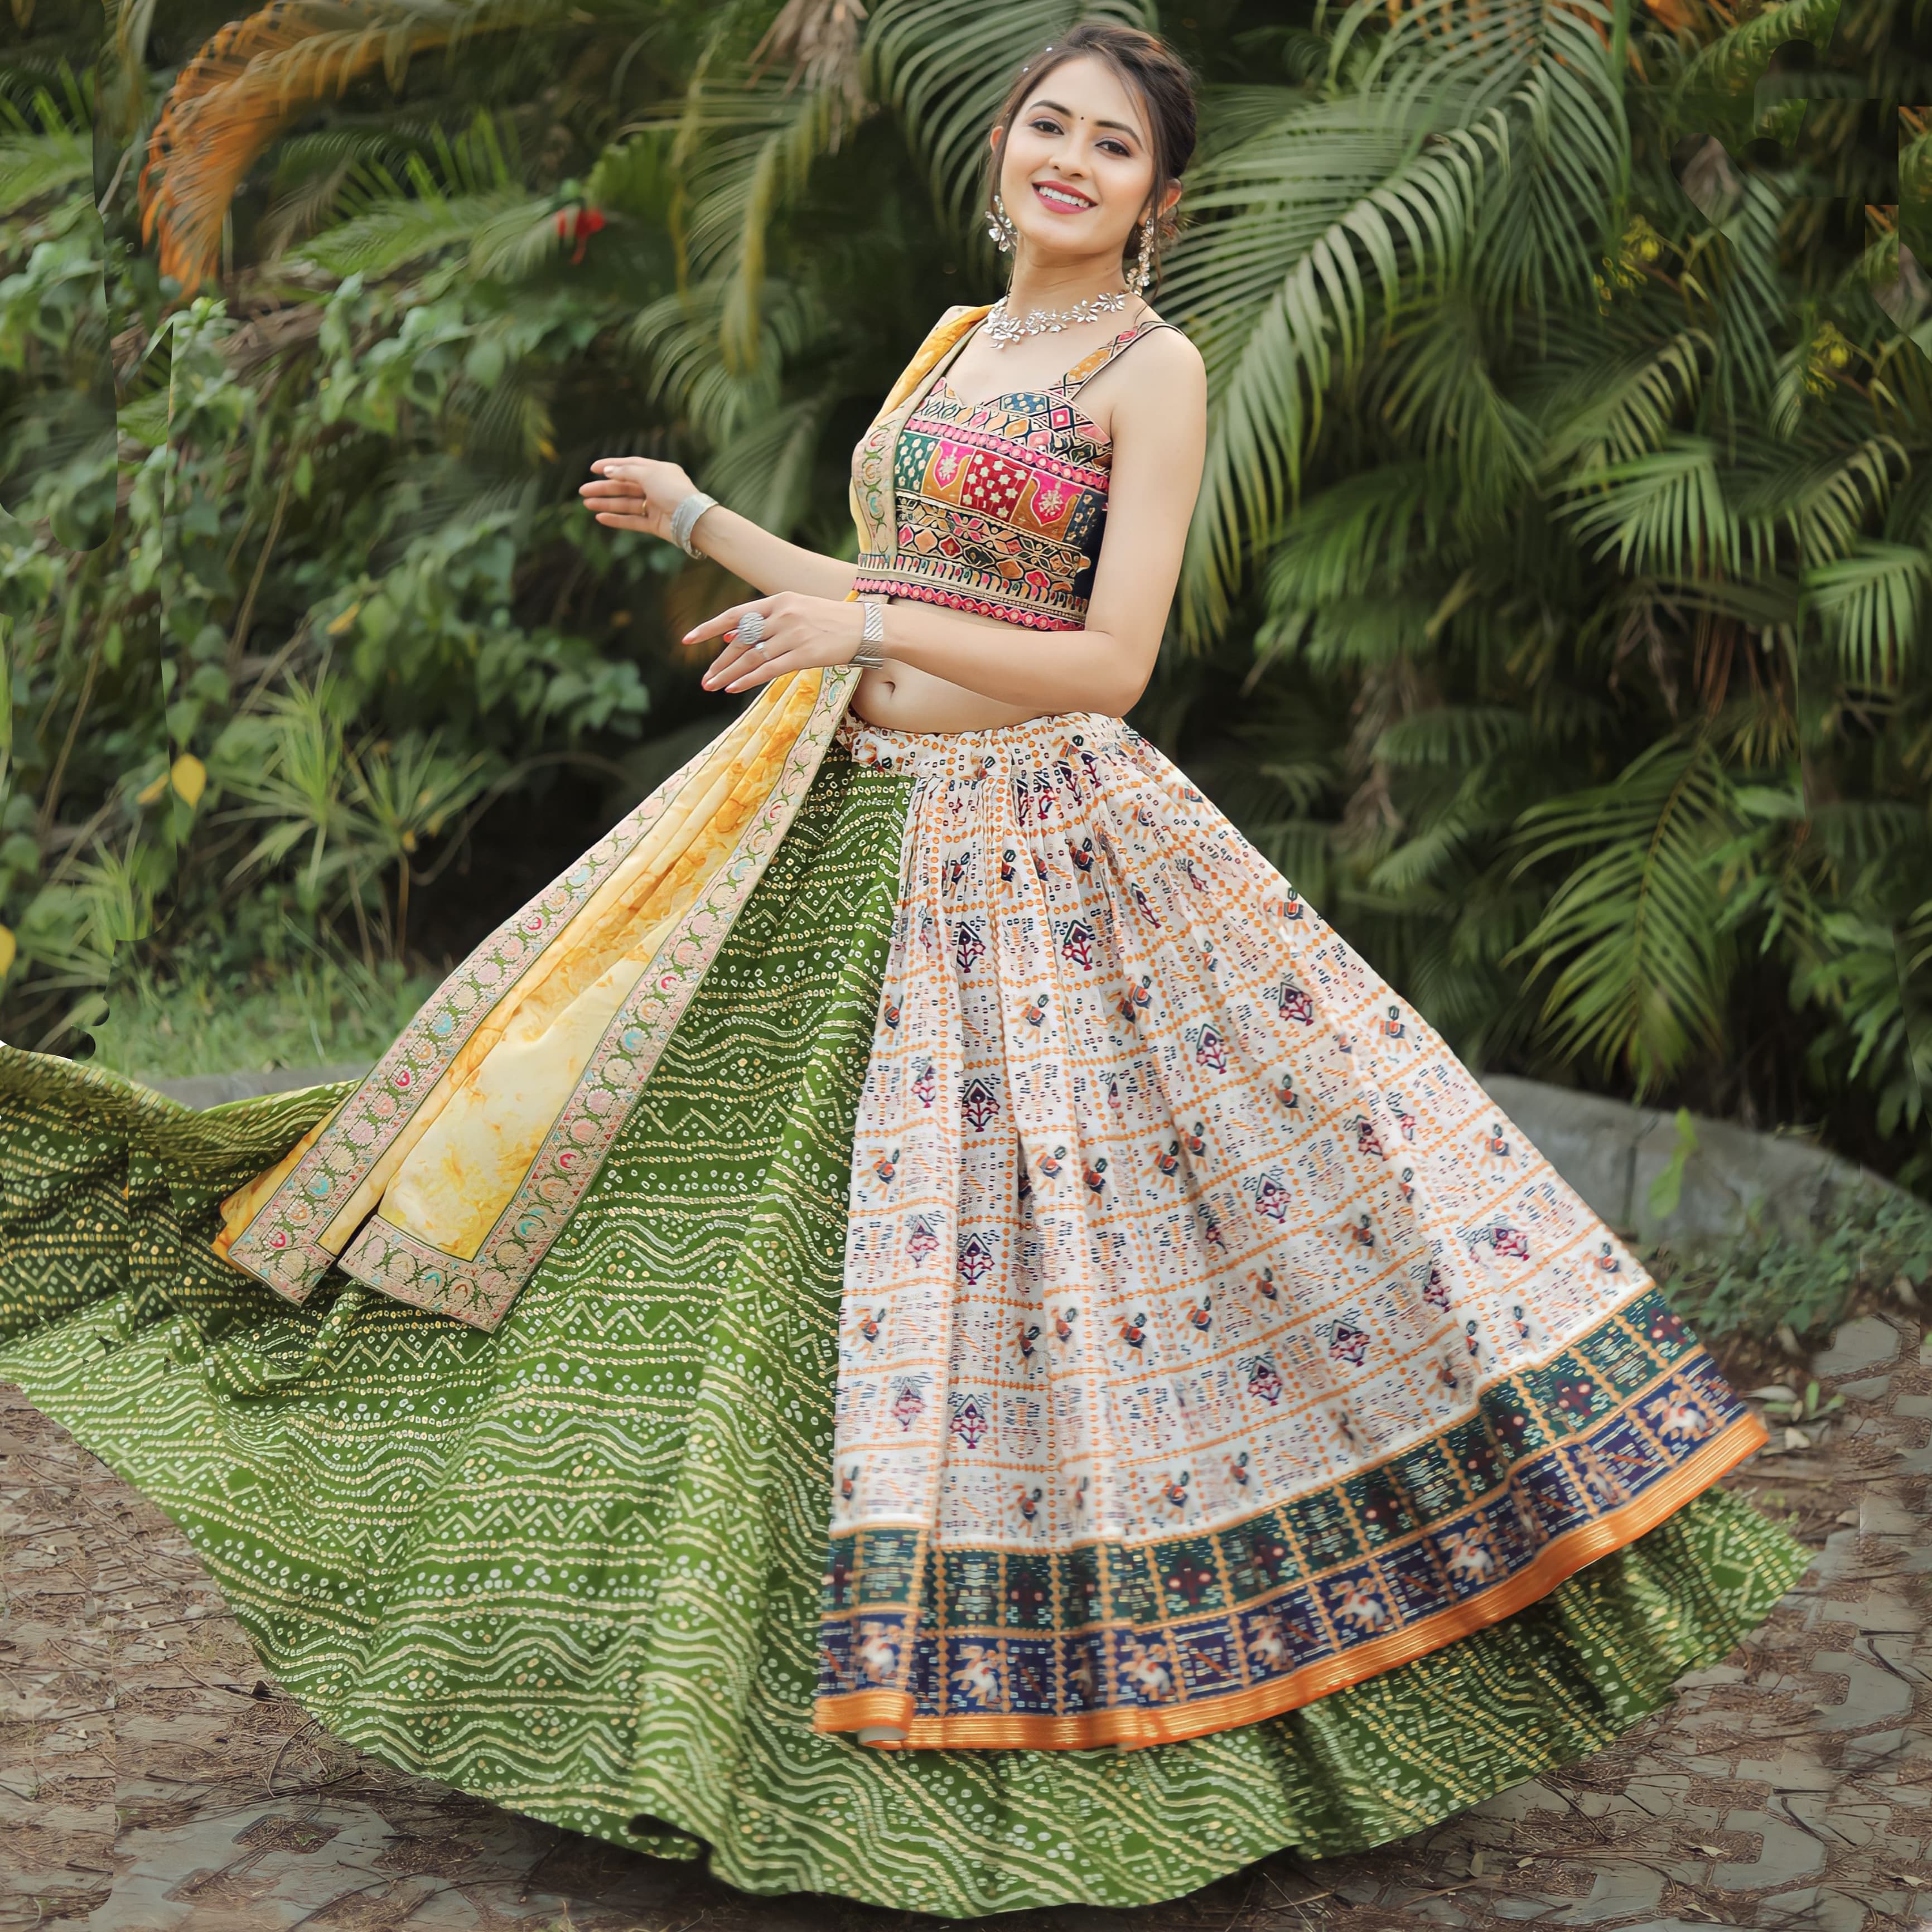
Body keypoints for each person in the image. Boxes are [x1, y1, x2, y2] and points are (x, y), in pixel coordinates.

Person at [0, 22, 1806, 1916]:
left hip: (1045, 857)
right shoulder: (956, 341)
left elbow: (1106, 662)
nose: (1070, 161)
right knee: (704, 1229)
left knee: (1087, 1277)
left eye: (1113, 147)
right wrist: (710, 527)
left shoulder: (1153, 369)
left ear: (1159, 197)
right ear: (1005, 145)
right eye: (1049, 125)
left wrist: (856, 619)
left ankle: (1140, 1685)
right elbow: (896, 588)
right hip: (848, 815)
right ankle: (665, 1678)